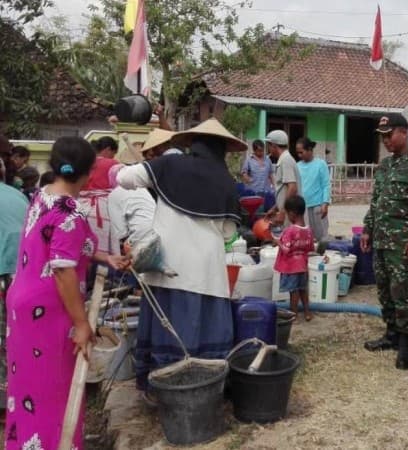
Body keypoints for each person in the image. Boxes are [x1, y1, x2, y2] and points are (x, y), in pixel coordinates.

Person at [4, 137, 128, 450]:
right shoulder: (70, 214)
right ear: (89, 173)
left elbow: (64, 246)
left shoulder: (43, 195)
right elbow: (63, 270)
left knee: (28, 386)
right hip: (49, 311)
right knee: (54, 389)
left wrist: (105, 257)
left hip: (22, 303)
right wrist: (82, 324)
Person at [116, 118, 243, 397]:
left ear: (194, 144)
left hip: (167, 266)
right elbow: (227, 232)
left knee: (167, 324)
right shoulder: (226, 181)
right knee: (202, 327)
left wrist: (159, 183)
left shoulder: (168, 165)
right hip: (206, 271)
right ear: (221, 149)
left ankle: (162, 389)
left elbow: (122, 178)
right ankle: (202, 387)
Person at [361, 114, 408, 370]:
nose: (386, 140)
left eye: (389, 135)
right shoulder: (385, 166)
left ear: (404, 132)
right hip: (380, 241)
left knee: (404, 293)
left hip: (401, 243)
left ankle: (406, 345)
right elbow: (375, 202)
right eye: (382, 136)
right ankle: (391, 335)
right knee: (385, 291)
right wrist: (367, 229)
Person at [0, 176, 28, 405]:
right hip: (22, 271)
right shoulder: (17, 195)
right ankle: (15, 390)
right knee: (12, 331)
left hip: (5, 269)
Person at [274, 195, 315, 321]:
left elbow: (286, 249)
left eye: (287, 214)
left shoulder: (290, 231)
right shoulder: (308, 230)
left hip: (291, 267)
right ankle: (308, 312)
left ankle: (293, 313)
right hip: (302, 265)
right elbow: (310, 248)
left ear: (292, 214)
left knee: (293, 291)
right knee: (303, 289)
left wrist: (276, 241)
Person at [265, 129, 302, 229]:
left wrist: (282, 212)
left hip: (291, 213)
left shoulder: (286, 160)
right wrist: (275, 208)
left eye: (269, 145)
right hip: (287, 211)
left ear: (274, 145)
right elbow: (283, 190)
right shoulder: (284, 159)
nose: (268, 149)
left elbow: (292, 188)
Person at [296, 137, 331, 241]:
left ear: (310, 150)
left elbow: (326, 185)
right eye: (298, 153)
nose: (299, 155)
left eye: (301, 152)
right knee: (305, 238)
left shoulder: (320, 164)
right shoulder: (297, 166)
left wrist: (325, 203)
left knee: (321, 237)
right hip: (302, 208)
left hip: (317, 207)